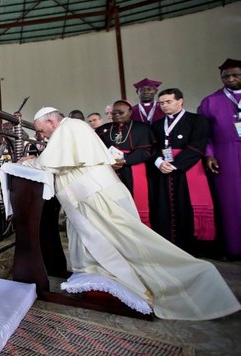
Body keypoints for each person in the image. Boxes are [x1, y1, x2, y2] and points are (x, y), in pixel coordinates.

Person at [19, 106, 239, 321]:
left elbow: (52, 162)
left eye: (41, 129)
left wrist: (32, 162)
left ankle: (195, 277)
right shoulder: (72, 128)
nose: (41, 134)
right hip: (90, 195)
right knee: (102, 242)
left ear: (51, 122)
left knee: (130, 242)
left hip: (95, 196)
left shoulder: (69, 127)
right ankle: (106, 284)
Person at [148, 88, 215, 255]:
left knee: (187, 205)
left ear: (180, 101)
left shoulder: (197, 120)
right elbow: (153, 147)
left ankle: (192, 247)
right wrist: (158, 162)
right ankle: (169, 246)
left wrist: (176, 165)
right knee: (164, 206)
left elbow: (197, 145)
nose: (164, 106)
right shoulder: (156, 125)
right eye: (161, 103)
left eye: (168, 101)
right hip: (162, 169)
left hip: (188, 169)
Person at [198, 58, 241, 260]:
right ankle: (234, 248)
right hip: (226, 155)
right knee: (230, 202)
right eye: (226, 77)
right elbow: (203, 133)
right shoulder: (210, 101)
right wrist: (209, 155)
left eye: (235, 75)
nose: (230, 79)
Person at [96, 100, 155, 226]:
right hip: (110, 171)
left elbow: (147, 151)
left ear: (130, 112)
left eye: (120, 112)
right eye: (113, 113)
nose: (116, 115)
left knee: (136, 201)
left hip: (134, 169)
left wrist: (125, 160)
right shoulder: (103, 130)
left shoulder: (142, 128)